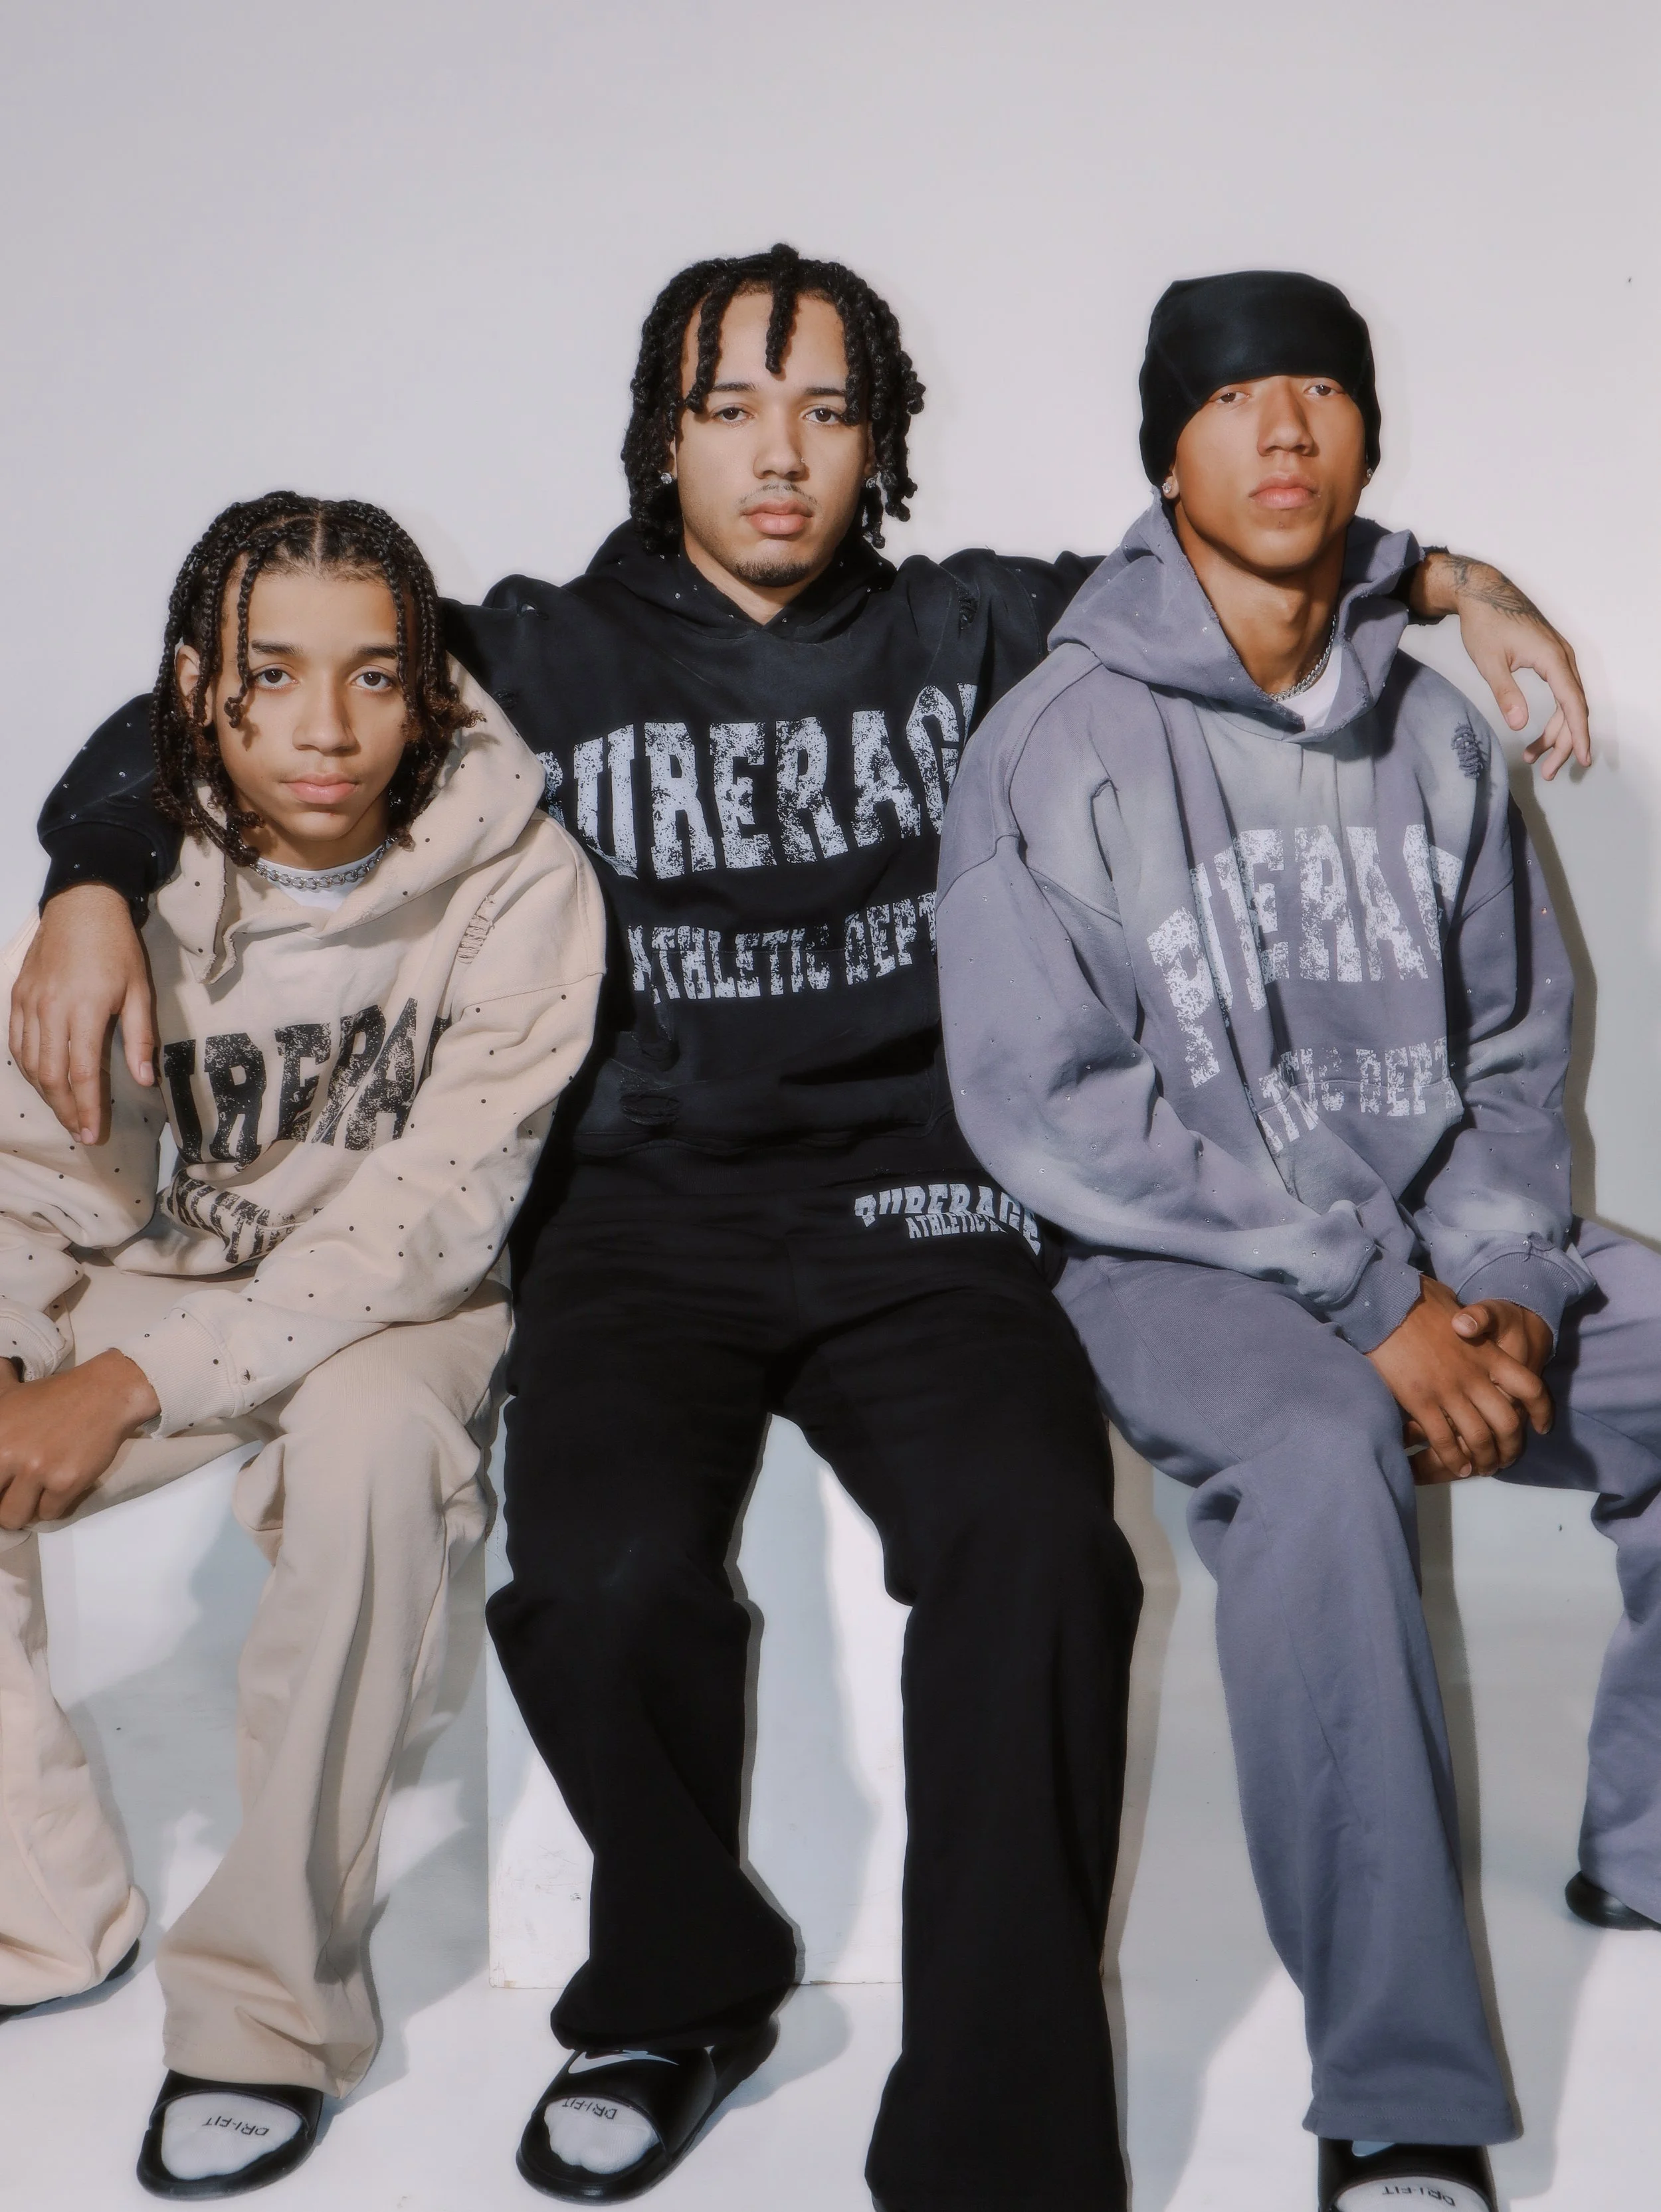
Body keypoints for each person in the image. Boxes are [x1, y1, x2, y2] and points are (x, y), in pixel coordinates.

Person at [8, 247, 1592, 2212]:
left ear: (881, 441)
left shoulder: (980, 625)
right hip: (637, 1222)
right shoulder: (537, 648)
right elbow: (254, 696)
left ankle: (996, 2144)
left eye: (828, 412)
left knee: (1039, 1553)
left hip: (929, 1216)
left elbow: (1248, 556)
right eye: (731, 409)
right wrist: (90, 875)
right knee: (593, 1574)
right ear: (658, 436)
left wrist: (1445, 576)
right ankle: (685, 1983)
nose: (781, 456)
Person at [936, 268, 1661, 2212]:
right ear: (1163, 450)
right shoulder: (1051, 744)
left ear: (1366, 437)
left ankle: (1646, 1836)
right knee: (1322, 1458)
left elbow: (1519, 1046)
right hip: (1177, 1265)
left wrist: (1495, 1287)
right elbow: (1054, 1107)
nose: (1283, 431)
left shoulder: (1431, 739)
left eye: (1321, 393)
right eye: (1236, 398)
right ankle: (1397, 2096)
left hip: (1442, 1250)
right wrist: (1373, 1302)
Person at [0, 494, 603, 2199]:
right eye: (272, 677)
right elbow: (31, 1170)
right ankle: (42, 1922)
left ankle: (265, 2016)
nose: (324, 730)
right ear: (201, 689)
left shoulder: (520, 886)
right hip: (176, 1274)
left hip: (398, 1311)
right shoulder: (128, 886)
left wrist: (117, 1387)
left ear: (430, 691)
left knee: (369, 1457)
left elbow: (426, 1222)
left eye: (373, 679)